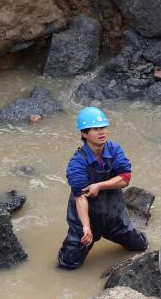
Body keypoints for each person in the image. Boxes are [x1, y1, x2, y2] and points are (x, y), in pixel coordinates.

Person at [56, 107, 148, 269]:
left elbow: (125, 178)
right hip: (85, 221)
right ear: (84, 134)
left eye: (103, 127)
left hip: (115, 218)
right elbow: (80, 196)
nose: (101, 132)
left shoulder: (114, 150)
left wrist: (99, 185)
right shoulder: (77, 163)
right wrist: (86, 227)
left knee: (141, 247)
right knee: (68, 264)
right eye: (95, 129)